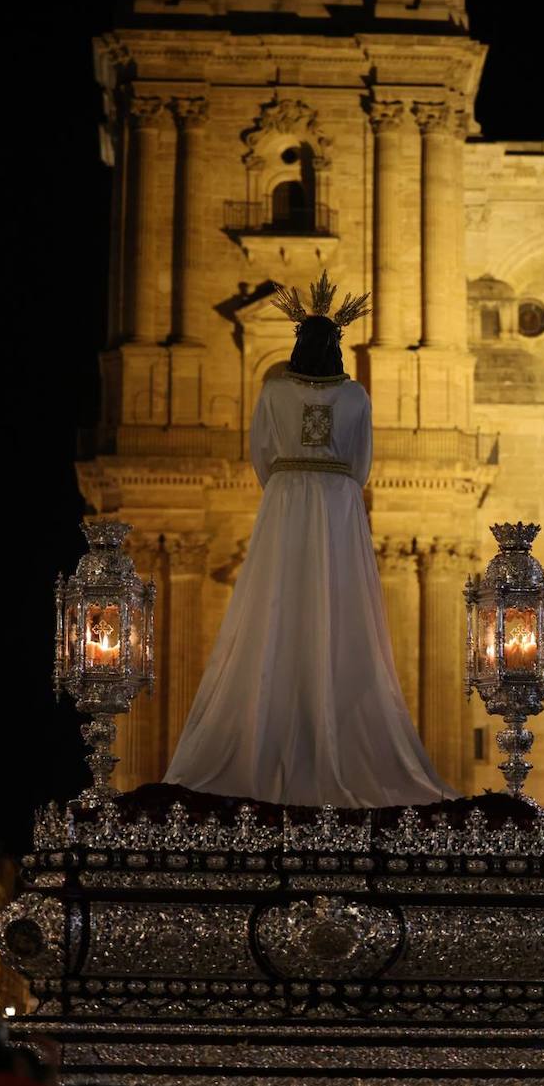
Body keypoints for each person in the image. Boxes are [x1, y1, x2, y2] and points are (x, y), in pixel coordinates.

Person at [164, 272, 457, 809]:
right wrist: (336, 486)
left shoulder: (273, 390)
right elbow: (362, 460)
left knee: (277, 600)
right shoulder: (355, 395)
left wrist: (284, 486)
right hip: (337, 502)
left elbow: (260, 452)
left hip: (285, 500)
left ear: (299, 344)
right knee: (339, 606)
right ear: (337, 346)